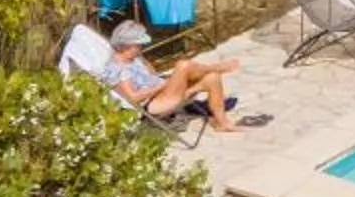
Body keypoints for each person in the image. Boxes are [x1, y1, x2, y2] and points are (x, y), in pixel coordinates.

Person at [102, 21, 254, 132]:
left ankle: (222, 123)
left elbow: (152, 76)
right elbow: (133, 98)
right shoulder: (117, 68)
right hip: (153, 104)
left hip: (164, 92)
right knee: (182, 65)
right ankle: (218, 67)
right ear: (126, 45)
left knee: (211, 78)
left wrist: (166, 80)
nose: (141, 48)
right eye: (138, 45)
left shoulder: (134, 59)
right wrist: (161, 86)